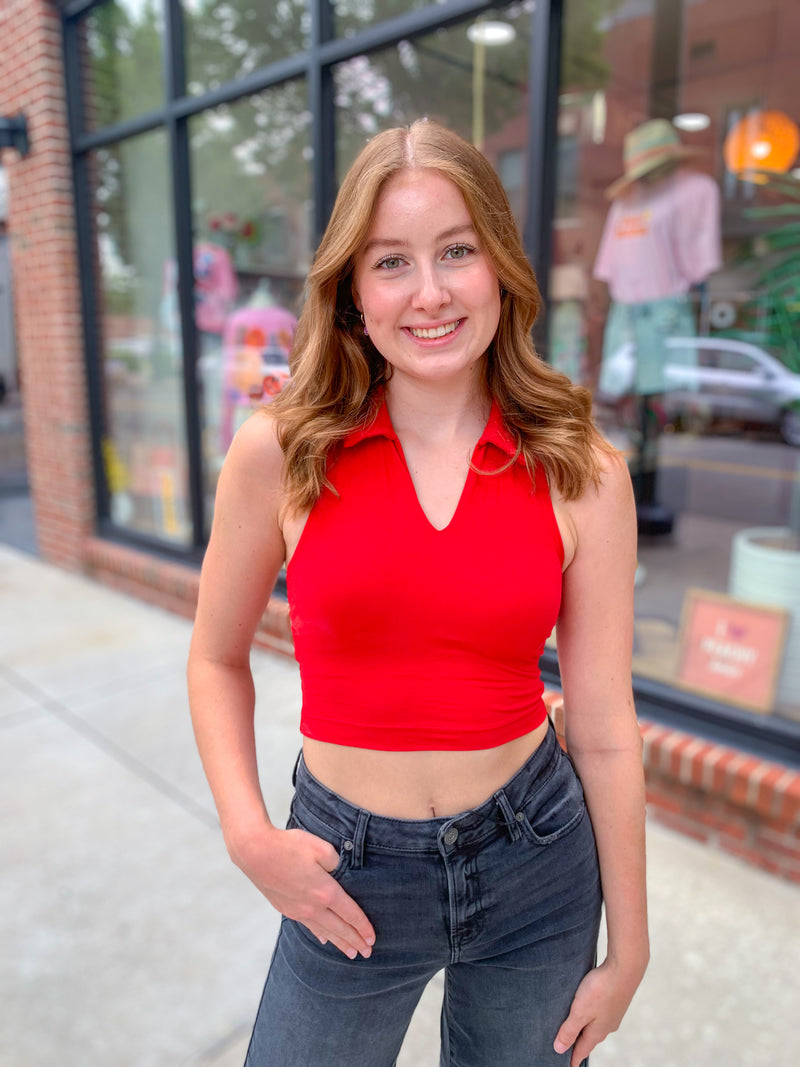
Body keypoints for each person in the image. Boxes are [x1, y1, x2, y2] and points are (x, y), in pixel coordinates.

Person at [187, 119, 649, 1067]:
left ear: (501, 268)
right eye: (392, 261)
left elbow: (604, 727)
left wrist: (631, 945)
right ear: (353, 292)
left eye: (457, 252)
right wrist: (246, 832)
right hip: (346, 876)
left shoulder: (583, 471)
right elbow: (215, 657)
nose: (430, 292)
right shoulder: (281, 451)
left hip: (539, 859)